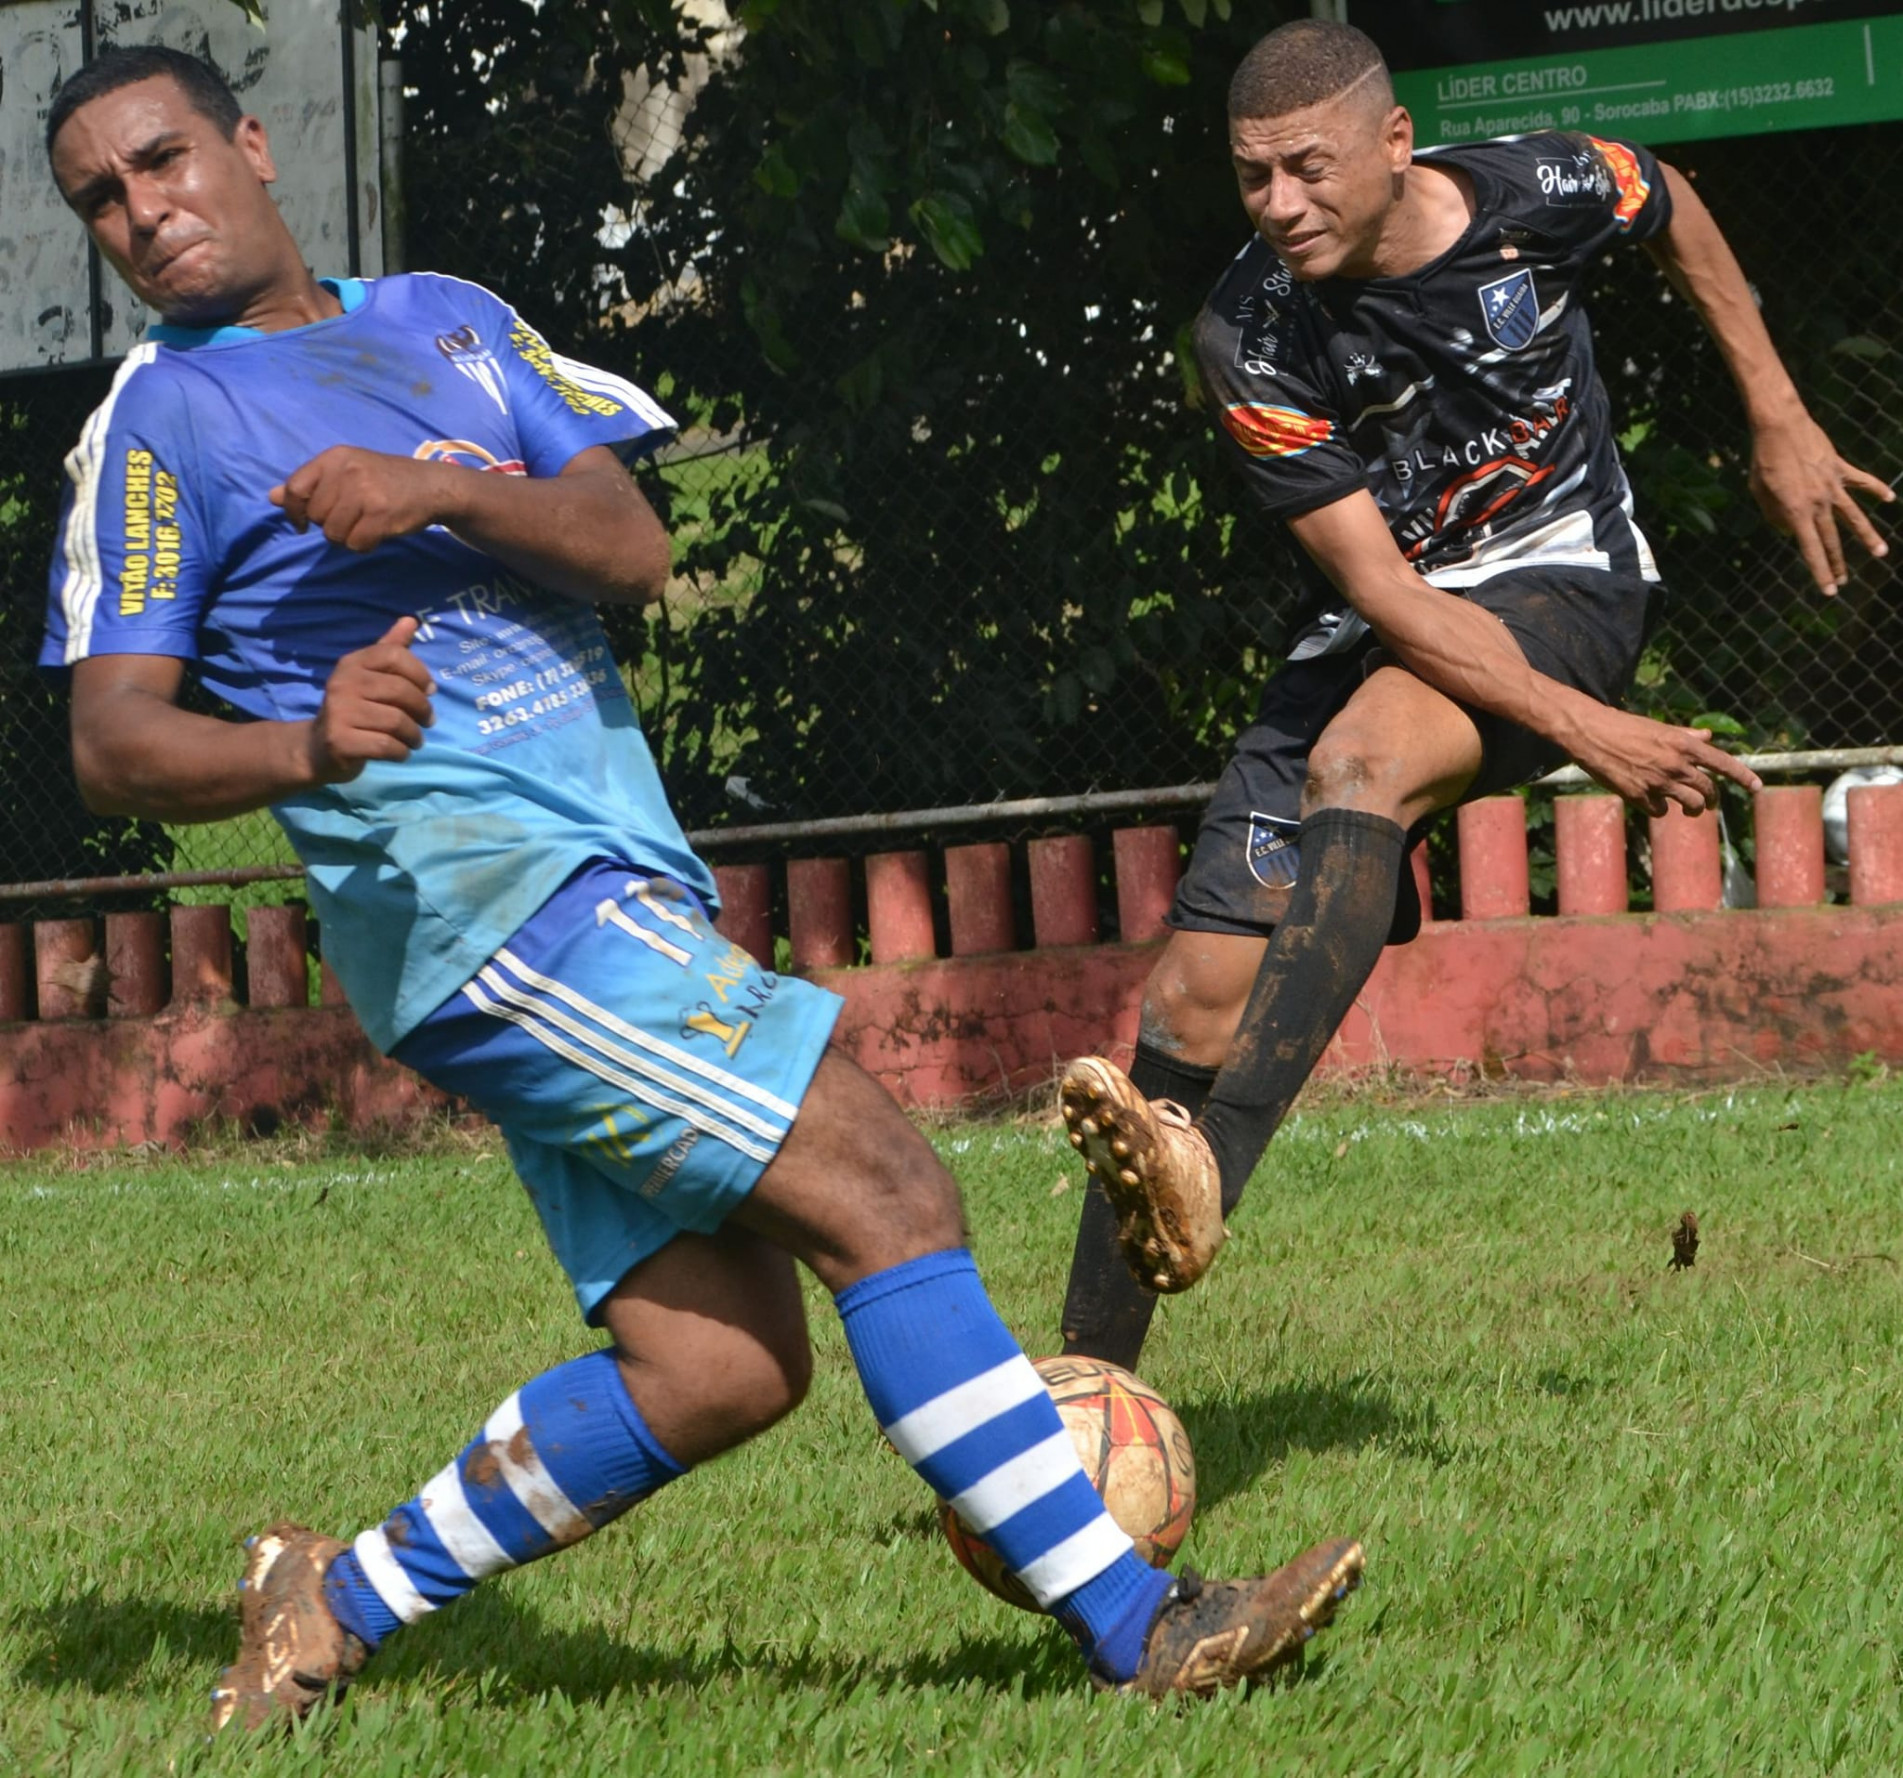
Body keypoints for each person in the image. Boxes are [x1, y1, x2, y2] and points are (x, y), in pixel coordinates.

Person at [40, 46, 1364, 1728]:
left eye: (162, 162)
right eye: (102, 198)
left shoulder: (449, 317)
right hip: (492, 911)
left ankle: (335, 1594)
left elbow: (631, 547)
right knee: (890, 1192)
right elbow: (112, 741)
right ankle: (1139, 1620)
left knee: (721, 1366)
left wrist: (437, 484)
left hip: (606, 889)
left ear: (249, 144)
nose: (143, 212)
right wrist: (307, 746)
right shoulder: (162, 419)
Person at [1058, 20, 1893, 1370]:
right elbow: (1384, 595)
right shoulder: (1246, 331)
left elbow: (1666, 197)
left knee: (1362, 762)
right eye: (1253, 176)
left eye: (1309, 169)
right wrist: (1595, 739)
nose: (1280, 205)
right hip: (1390, 606)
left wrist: (1779, 414)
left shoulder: (1531, 193)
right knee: (1191, 1004)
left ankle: (1207, 1164)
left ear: (1397, 144)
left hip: (1565, 577)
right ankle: (1085, 1409)